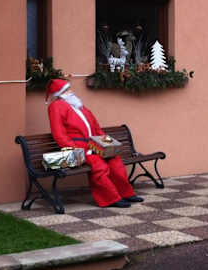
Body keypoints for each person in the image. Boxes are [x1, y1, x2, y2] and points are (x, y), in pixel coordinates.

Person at [45, 78, 143, 208]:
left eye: (69, 88)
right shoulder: (56, 106)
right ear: (60, 93)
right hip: (80, 146)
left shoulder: (79, 106)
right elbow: (59, 134)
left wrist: (108, 144)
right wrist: (75, 150)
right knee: (99, 166)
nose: (71, 91)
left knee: (115, 162)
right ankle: (111, 198)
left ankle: (126, 193)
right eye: (67, 89)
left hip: (94, 143)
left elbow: (96, 128)